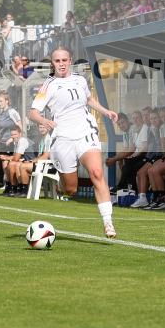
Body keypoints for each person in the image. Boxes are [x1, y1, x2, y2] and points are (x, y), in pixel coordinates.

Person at [29, 46, 119, 238]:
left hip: (86, 133)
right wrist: (44, 121)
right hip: (62, 139)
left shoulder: (79, 79)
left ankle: (108, 223)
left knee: (97, 173)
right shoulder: (48, 85)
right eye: (57, 61)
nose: (61, 64)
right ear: (52, 63)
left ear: (70, 61)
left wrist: (105, 111)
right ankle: (61, 185)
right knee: (70, 189)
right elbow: (33, 112)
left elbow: (88, 99)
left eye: (64, 60)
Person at [0, 91, 23, 195]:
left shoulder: (12, 112)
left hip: (10, 143)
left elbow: (19, 126)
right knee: (4, 166)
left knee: (8, 164)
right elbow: (2, 130)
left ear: (7, 101)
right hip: (3, 143)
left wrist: (13, 138)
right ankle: (8, 185)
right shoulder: (1, 113)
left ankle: (13, 186)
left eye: (1, 101)